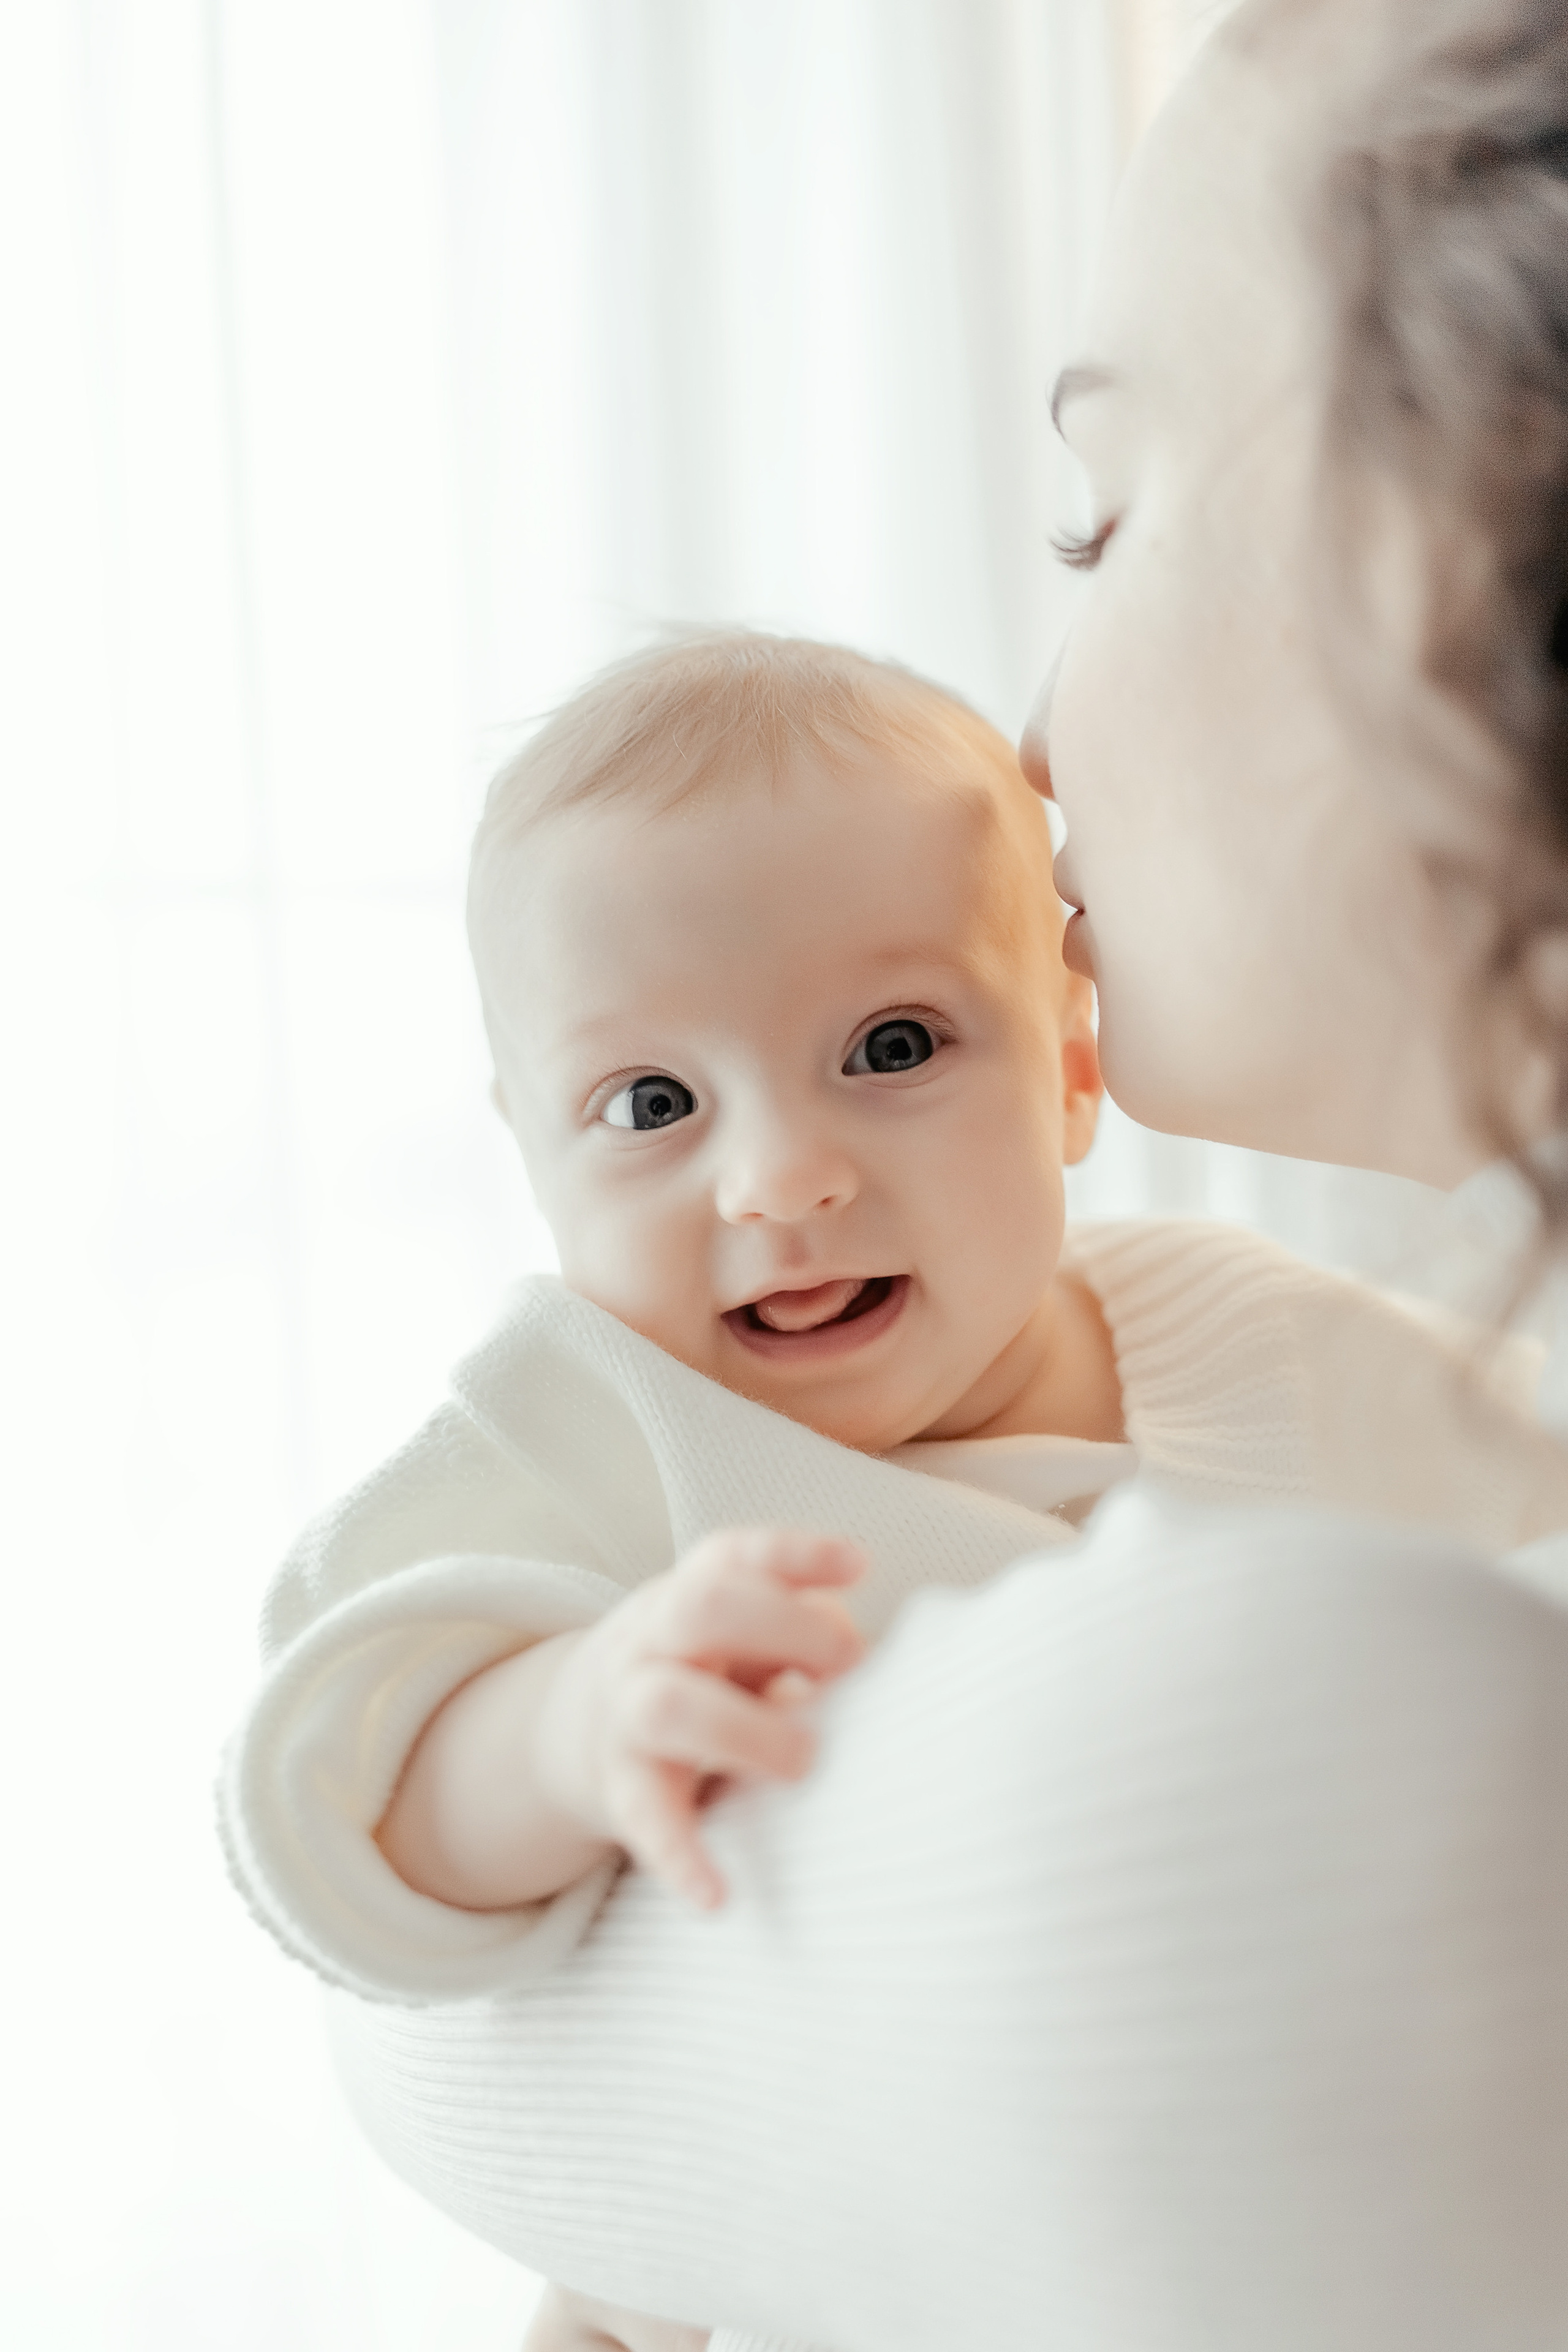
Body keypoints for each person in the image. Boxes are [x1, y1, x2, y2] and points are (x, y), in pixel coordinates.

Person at [229, 1, 1568, 2345]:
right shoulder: (598, 1425)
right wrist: (569, 1728)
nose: (784, 1180)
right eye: (651, 1106)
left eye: (1105, 521)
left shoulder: (1261, 1355)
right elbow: (336, 1766)